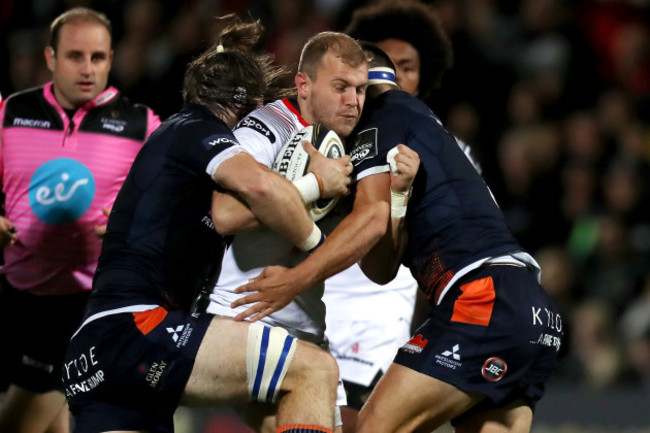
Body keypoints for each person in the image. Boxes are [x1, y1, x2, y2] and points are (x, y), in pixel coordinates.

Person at [235, 43, 563, 432]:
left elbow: (370, 219)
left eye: (351, 86)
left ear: (367, 82)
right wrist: (396, 198)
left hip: (484, 298)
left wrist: (296, 279)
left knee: (373, 427)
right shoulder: (417, 126)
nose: (348, 100)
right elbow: (382, 268)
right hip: (531, 312)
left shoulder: (382, 116)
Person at [61, 14, 344, 433]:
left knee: (276, 412)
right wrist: (317, 193)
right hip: (138, 329)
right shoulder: (197, 128)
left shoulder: (173, 153)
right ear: (244, 109)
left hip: (93, 354)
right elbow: (261, 189)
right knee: (314, 370)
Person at [0, 8, 161, 433]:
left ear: (111, 58)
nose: (88, 69)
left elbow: (172, 207)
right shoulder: (10, 113)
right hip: (19, 298)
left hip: (94, 302)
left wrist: (133, 223)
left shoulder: (142, 125)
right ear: (51, 58)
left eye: (98, 57)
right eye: (75, 56)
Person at [206, 31, 368, 433]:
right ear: (304, 85)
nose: (353, 101)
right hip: (245, 315)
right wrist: (314, 184)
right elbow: (225, 213)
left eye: (361, 89)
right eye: (340, 87)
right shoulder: (268, 128)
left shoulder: (351, 147)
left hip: (304, 326)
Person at [322, 3, 456, 430]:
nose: (392, 77)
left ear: (424, 76)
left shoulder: (450, 155)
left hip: (381, 315)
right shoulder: (327, 142)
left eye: (407, 67)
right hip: (320, 304)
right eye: (383, 64)